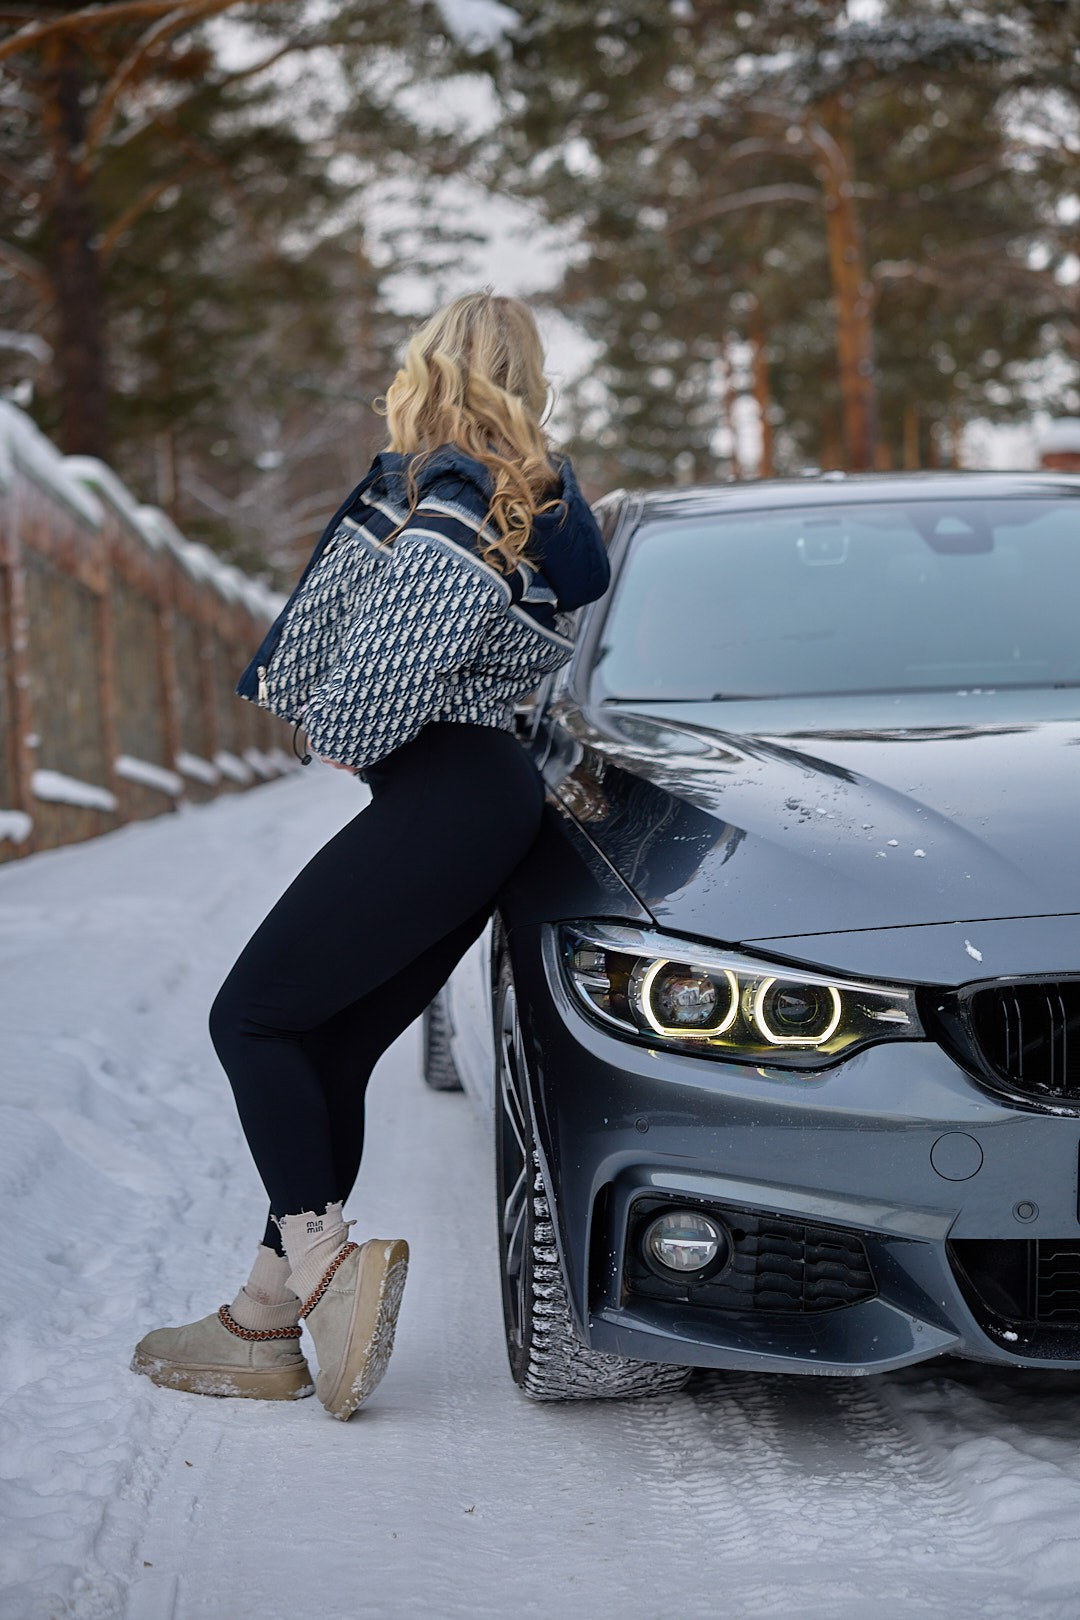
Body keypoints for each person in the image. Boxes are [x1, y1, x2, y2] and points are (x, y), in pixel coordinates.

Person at [130, 291, 611, 1421]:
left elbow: (406, 652)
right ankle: (259, 1321)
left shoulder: (451, 489)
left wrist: (341, 725)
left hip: (446, 790)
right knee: (327, 1048)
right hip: (479, 796)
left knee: (247, 1019)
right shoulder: (535, 501)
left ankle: (327, 1265)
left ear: (432, 368)